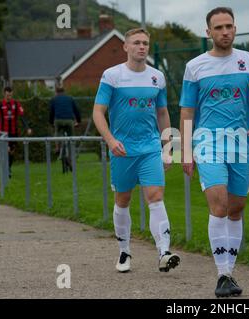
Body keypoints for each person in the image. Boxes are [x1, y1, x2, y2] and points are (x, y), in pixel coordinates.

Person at [179, 7, 249, 297]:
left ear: (235, 28)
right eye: (218, 27)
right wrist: (185, 150)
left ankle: (229, 272)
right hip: (208, 142)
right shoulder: (195, 67)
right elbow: (187, 110)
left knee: (237, 207)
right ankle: (223, 274)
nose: (225, 32)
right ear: (208, 33)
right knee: (218, 204)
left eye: (229, 26)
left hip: (240, 143)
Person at [93, 28, 180, 273]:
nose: (142, 47)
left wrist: (168, 146)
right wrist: (110, 140)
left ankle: (164, 252)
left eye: (145, 43)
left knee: (155, 196)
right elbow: (98, 112)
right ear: (126, 47)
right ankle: (124, 251)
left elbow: (162, 113)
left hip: (150, 147)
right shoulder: (112, 76)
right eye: (136, 43)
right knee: (123, 200)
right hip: (122, 150)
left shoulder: (157, 77)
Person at [0, 86, 32, 177]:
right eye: (7, 95)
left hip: (14, 132)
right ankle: (6, 170)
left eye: (10, 95)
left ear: (12, 94)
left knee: (11, 152)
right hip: (3, 133)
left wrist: (27, 128)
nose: (9, 97)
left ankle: (8, 168)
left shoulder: (16, 104)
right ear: (4, 94)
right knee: (6, 151)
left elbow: (22, 116)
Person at [49, 85, 81, 154]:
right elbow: (76, 110)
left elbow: (51, 112)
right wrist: (78, 121)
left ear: (56, 92)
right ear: (64, 92)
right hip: (69, 120)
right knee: (71, 136)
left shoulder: (54, 99)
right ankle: (71, 151)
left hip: (58, 120)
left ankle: (57, 147)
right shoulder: (70, 98)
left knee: (57, 132)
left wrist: (51, 122)